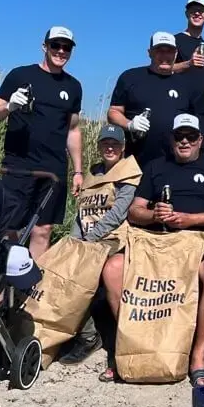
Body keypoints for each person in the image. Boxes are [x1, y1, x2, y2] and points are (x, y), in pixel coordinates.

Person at [100, 114, 204, 385]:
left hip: (198, 239)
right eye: (179, 136)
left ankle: (197, 357)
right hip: (157, 239)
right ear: (171, 139)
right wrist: (153, 214)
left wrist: (191, 219)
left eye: (190, 136)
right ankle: (131, 346)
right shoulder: (155, 167)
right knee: (113, 268)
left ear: (200, 139)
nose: (184, 141)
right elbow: (134, 211)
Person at [0, 26, 84, 260]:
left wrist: (78, 171)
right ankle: (2, 290)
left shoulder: (73, 86)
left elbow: (73, 129)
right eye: (55, 45)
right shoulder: (21, 75)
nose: (61, 51)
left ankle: (29, 292)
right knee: (10, 227)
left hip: (54, 167)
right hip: (19, 164)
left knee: (43, 230)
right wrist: (9, 107)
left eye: (66, 47)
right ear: (45, 46)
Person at [59, 123, 140, 365]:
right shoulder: (93, 172)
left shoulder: (128, 174)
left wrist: (89, 241)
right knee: (61, 268)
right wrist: (73, 241)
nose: (110, 148)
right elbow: (81, 212)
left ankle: (90, 337)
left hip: (113, 239)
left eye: (115, 144)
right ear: (99, 146)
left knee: (82, 274)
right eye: (105, 143)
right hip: (87, 238)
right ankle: (73, 329)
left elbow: (117, 214)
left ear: (123, 147)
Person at [107, 31, 198, 166]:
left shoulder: (185, 85)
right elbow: (113, 112)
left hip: (174, 164)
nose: (165, 55)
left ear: (176, 53)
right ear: (149, 52)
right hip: (134, 164)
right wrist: (129, 124)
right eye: (159, 51)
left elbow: (194, 123)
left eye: (169, 51)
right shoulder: (130, 77)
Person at [172, 0, 204, 115]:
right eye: (193, 10)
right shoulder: (174, 41)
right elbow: (161, 68)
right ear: (187, 14)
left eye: (201, 11)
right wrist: (188, 63)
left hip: (201, 110)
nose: (197, 13)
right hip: (177, 106)